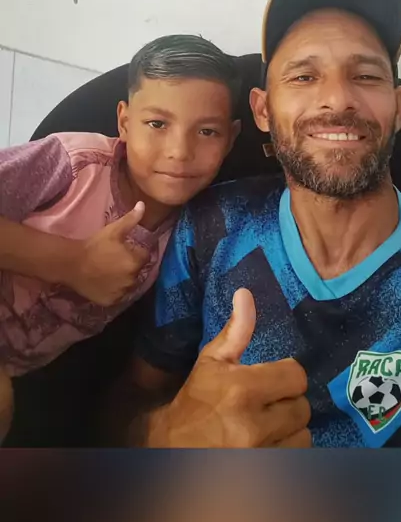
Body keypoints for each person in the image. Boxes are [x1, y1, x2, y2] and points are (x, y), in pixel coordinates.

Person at [124, 0, 401, 448]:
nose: (338, 98)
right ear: (262, 110)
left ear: (398, 108)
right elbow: (125, 406)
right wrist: (165, 436)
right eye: (304, 76)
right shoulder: (210, 227)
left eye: (366, 75)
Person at [0, 34, 241, 392]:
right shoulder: (76, 164)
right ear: (125, 122)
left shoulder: (195, 232)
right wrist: (73, 262)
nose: (179, 151)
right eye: (157, 124)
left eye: (207, 131)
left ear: (231, 139)